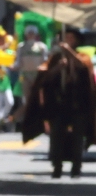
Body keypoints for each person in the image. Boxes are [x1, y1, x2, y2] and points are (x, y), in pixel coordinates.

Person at [22, 25, 94, 178]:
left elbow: (83, 67)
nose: (68, 41)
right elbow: (45, 78)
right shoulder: (55, 58)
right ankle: (57, 166)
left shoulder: (82, 56)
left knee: (77, 137)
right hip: (59, 105)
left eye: (71, 38)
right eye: (66, 37)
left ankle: (76, 167)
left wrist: (69, 53)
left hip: (78, 105)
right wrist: (57, 68)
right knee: (57, 137)